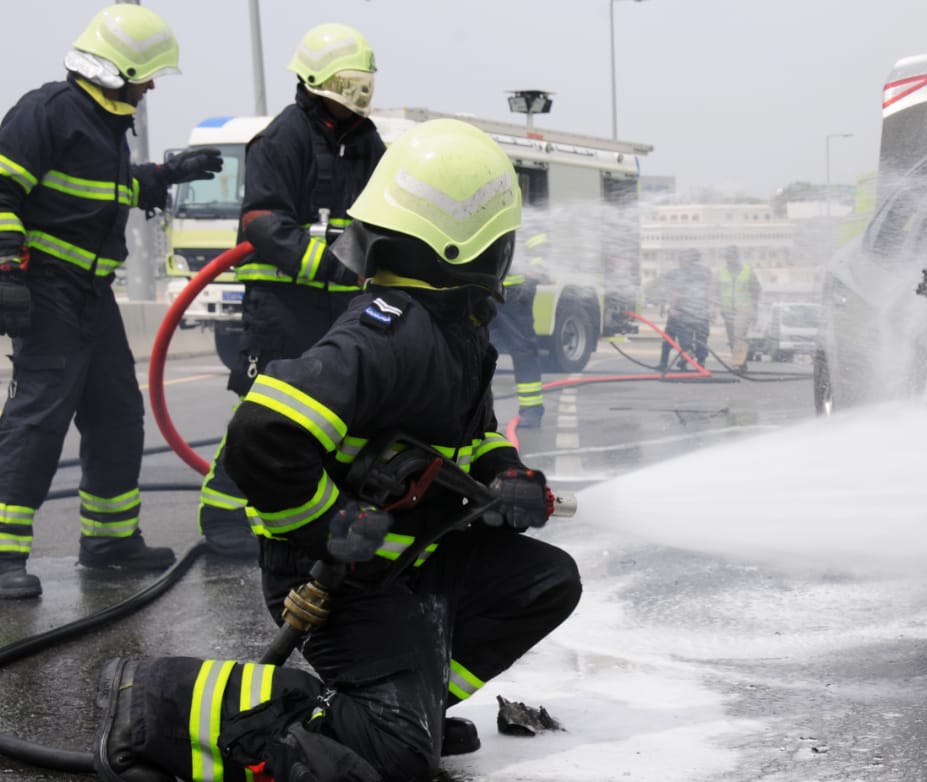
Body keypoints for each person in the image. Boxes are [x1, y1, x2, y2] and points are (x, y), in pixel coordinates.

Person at [93, 118, 582, 782]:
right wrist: (327, 526)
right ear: (472, 244)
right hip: (341, 579)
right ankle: (157, 702)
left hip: (407, 559)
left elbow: (474, 434)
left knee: (546, 582)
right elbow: (263, 432)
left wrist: (507, 472)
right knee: (396, 760)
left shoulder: (450, 329)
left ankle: (411, 710)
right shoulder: (393, 335)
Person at [0, 5, 223, 600]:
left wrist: (166, 173)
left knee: (117, 412)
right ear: (121, 69)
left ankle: (110, 542)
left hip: (92, 291)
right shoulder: (47, 112)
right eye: (146, 76)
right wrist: (5, 268)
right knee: (38, 417)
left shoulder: (103, 129)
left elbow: (104, 193)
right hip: (48, 288)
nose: (148, 87)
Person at [197, 22, 385, 559]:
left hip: (338, 306)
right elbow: (262, 222)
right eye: (350, 87)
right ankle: (223, 516)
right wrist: (334, 265)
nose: (359, 98)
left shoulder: (366, 143)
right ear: (319, 82)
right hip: (281, 306)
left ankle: (311, 515)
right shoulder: (283, 137)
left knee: (333, 414)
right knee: (263, 413)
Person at [491, 230, 550, 428]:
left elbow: (539, 244)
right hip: (486, 291)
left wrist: (533, 274)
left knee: (523, 350)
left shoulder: (521, 218)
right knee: (480, 351)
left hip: (515, 295)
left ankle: (532, 411)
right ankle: (479, 412)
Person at [657, 249, 712, 372]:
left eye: (683, 259)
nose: (681, 262)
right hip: (698, 312)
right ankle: (691, 361)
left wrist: (671, 308)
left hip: (682, 312)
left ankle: (689, 358)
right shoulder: (703, 273)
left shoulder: (680, 274)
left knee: (687, 338)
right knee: (693, 338)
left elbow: (676, 292)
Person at [716, 246, 761, 372]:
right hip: (727, 310)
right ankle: (741, 361)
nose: (728, 260)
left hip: (744, 309)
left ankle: (737, 363)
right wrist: (713, 308)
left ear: (736, 257)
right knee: (732, 338)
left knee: (739, 336)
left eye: (730, 256)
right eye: (726, 257)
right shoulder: (721, 272)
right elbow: (714, 291)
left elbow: (756, 291)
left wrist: (755, 310)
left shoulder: (748, 271)